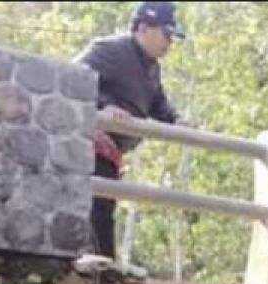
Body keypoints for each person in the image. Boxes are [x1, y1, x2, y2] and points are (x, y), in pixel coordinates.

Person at [75, 1, 187, 260]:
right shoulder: (110, 50)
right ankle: (98, 269)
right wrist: (104, 106)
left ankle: (102, 269)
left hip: (112, 152)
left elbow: (158, 103)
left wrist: (175, 119)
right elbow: (74, 77)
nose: (169, 43)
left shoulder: (152, 68)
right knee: (97, 210)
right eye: (166, 34)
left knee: (104, 209)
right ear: (144, 28)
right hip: (90, 145)